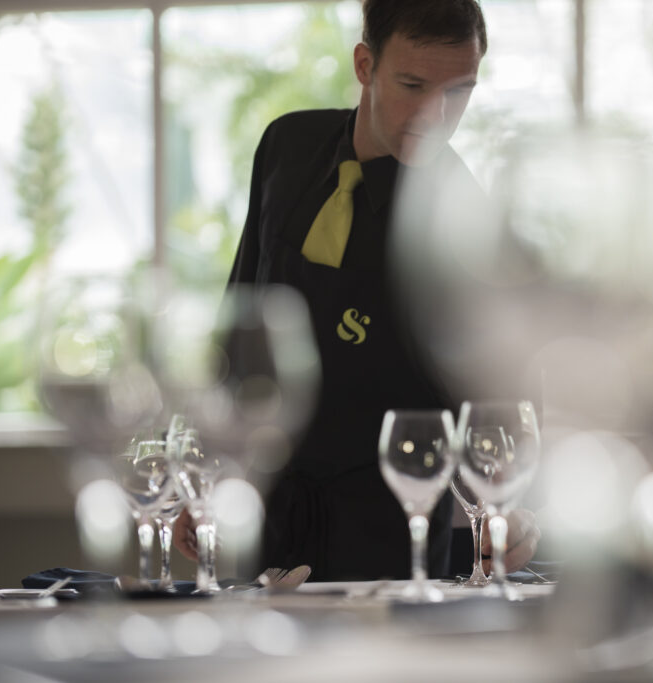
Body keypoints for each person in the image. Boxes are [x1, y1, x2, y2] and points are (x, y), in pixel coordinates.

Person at [174, 0, 540, 582]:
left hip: (393, 545)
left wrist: (515, 511)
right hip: (263, 519)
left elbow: (500, 397)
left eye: (458, 91)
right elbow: (239, 321)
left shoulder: (462, 219)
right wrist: (204, 476)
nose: (433, 115)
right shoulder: (285, 147)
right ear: (365, 64)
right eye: (413, 84)